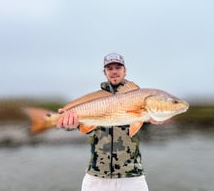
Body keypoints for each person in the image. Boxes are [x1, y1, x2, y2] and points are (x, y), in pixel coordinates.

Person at [56, 53, 164, 191]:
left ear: (125, 71)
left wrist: (156, 120)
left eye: (118, 67)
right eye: (109, 68)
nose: (114, 71)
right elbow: (83, 128)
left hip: (132, 176)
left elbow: (147, 129)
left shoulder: (141, 97)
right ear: (105, 72)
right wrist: (69, 124)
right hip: (96, 176)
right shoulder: (94, 100)